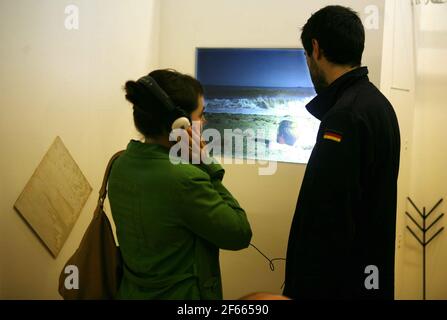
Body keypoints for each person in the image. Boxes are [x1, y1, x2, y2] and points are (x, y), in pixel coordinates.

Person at [284, 6, 400, 300]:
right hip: (367, 278)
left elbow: (327, 219)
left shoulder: (345, 115)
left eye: (307, 57)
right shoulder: (377, 104)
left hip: (339, 287)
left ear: (315, 48)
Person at [108, 69, 252, 299]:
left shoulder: (120, 164)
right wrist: (206, 163)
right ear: (179, 125)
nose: (204, 121)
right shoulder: (186, 180)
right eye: (200, 115)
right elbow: (240, 233)